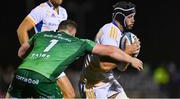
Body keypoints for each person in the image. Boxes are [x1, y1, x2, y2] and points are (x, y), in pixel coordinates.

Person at [6, 20, 143, 98]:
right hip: (43, 78)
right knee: (69, 96)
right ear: (73, 33)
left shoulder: (42, 35)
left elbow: (21, 52)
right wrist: (130, 59)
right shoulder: (78, 42)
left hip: (21, 72)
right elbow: (111, 50)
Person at [16, 0, 75, 98]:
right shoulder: (41, 10)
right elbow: (21, 29)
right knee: (69, 94)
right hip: (42, 61)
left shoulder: (63, 12)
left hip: (53, 60)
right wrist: (28, 54)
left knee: (68, 95)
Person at [79, 1, 141, 99]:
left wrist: (129, 55)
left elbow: (121, 68)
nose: (133, 20)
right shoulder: (110, 32)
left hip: (108, 81)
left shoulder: (120, 34)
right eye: (129, 17)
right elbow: (104, 65)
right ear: (120, 17)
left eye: (133, 17)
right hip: (92, 85)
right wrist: (127, 52)